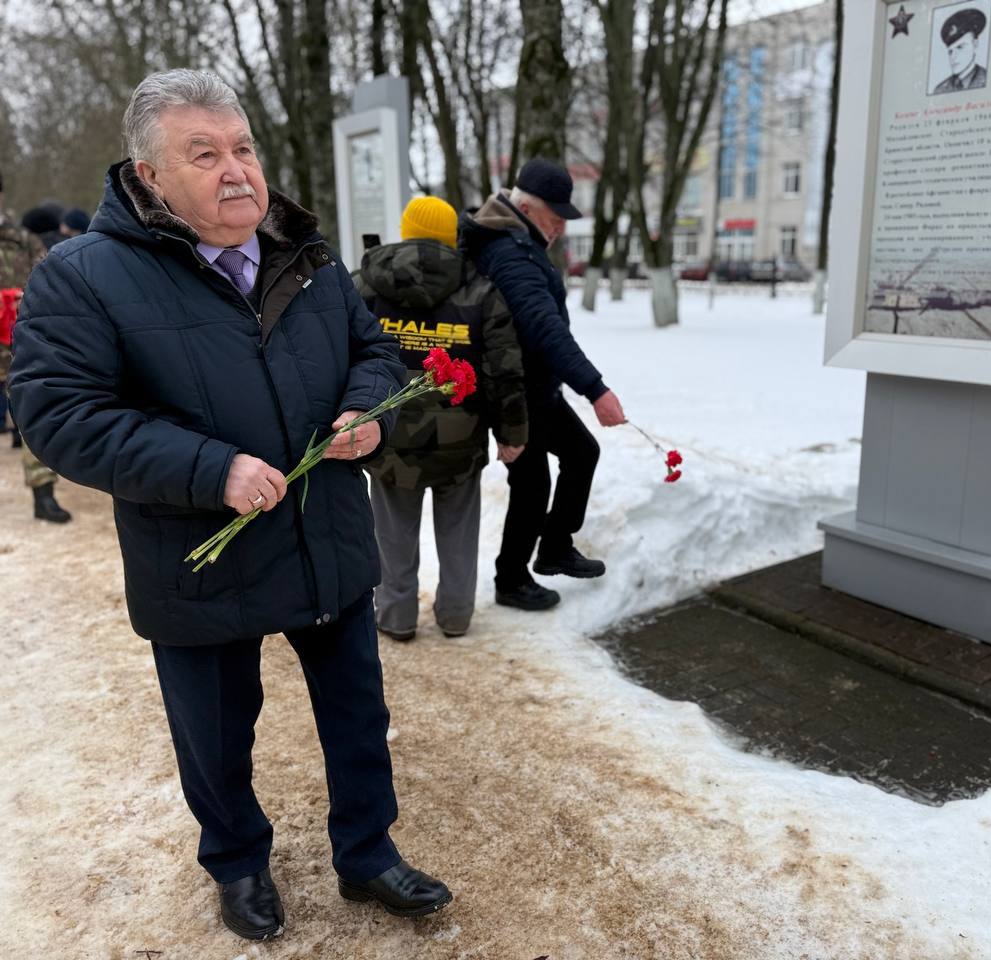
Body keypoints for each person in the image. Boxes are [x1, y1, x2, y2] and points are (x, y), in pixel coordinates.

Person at [8, 69, 451, 941]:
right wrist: (212, 469)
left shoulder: (308, 257)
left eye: (242, 147)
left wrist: (366, 411)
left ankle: (368, 853)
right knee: (216, 732)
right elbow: (59, 415)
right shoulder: (85, 276)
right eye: (203, 154)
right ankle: (238, 861)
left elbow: (373, 353)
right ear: (147, 177)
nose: (237, 171)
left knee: (358, 712)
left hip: (322, 532)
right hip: (197, 554)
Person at [357, 196, 528, 641]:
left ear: (407, 229)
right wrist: (512, 433)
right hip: (461, 438)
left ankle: (395, 616)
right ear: (451, 236)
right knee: (458, 531)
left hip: (390, 436)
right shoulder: (481, 290)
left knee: (391, 533)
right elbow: (504, 371)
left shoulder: (366, 287)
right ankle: (455, 616)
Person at [460, 159, 626, 612]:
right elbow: (542, 327)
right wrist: (595, 389)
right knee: (533, 484)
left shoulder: (517, 238)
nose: (559, 227)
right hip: (514, 390)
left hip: (534, 385)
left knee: (580, 453)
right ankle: (511, 579)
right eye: (555, 217)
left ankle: (553, 548)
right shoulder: (509, 252)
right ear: (529, 209)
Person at [0, 173, 46, 455]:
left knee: (21, 385)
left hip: (18, 323)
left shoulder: (24, 239)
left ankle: (43, 492)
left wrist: (25, 297)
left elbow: (46, 276)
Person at [933, 8, 988, 94]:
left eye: (960, 47)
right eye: (950, 51)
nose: (953, 56)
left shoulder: (989, 78)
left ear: (975, 44)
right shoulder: (939, 90)